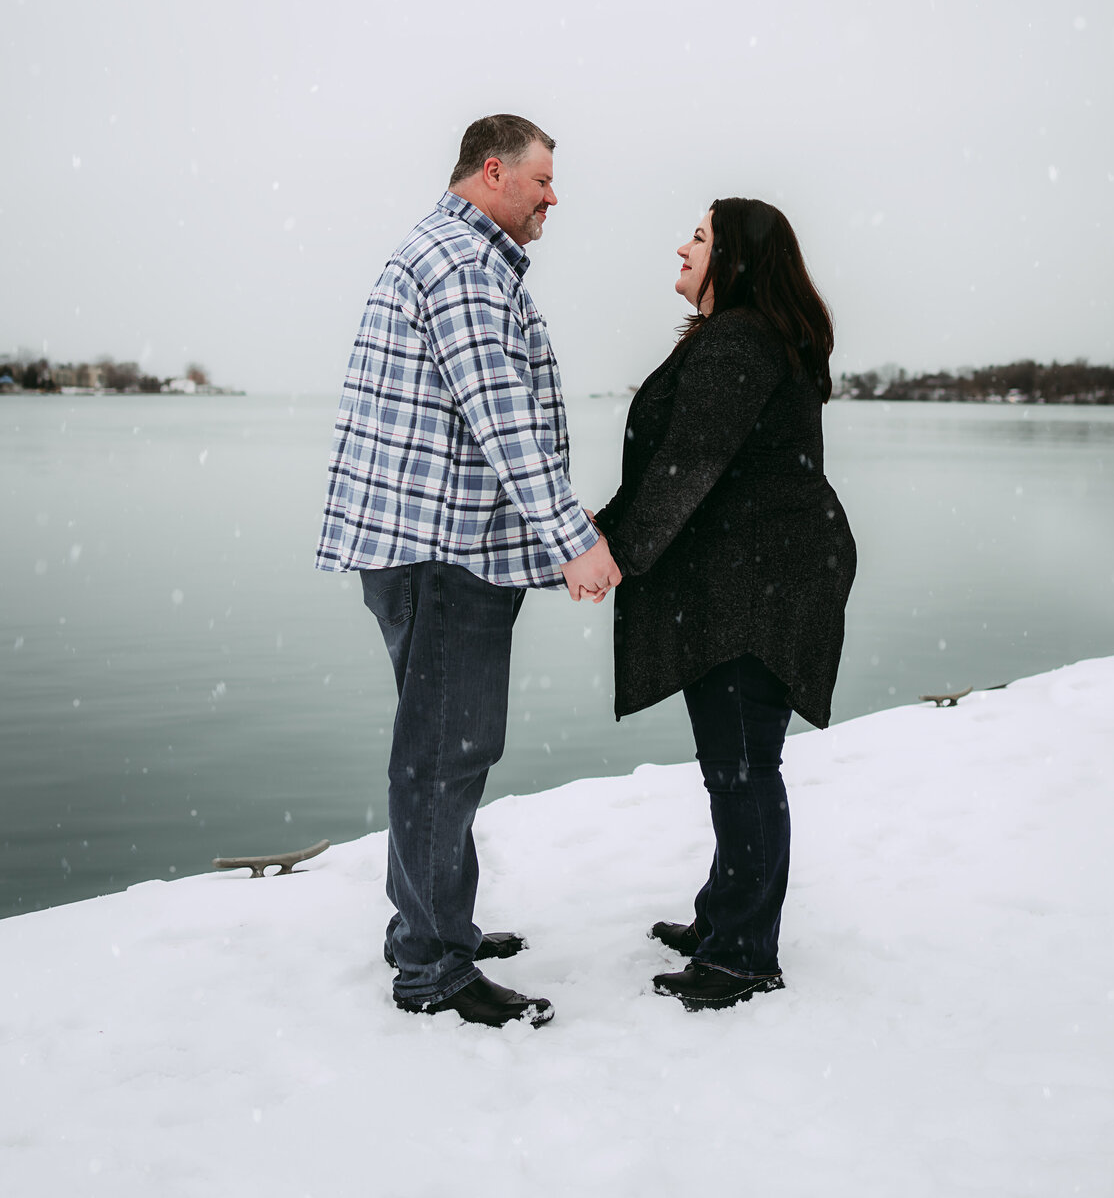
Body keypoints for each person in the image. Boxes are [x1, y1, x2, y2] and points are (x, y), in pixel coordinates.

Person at [316, 115, 622, 1029]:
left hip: (432, 547)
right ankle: (432, 968)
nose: (552, 197)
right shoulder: (461, 263)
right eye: (541, 181)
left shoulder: (455, 254)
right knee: (445, 756)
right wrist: (573, 537)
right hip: (442, 552)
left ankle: (431, 922)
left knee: (439, 751)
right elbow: (501, 418)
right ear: (493, 172)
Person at [593, 198, 856, 1011]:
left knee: (741, 768)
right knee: (740, 763)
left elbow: (687, 464)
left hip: (760, 588)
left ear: (734, 259)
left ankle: (742, 954)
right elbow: (688, 465)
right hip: (765, 577)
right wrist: (603, 535)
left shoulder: (739, 339)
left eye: (700, 237)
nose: (682, 245)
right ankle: (726, 918)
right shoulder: (744, 336)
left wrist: (611, 552)